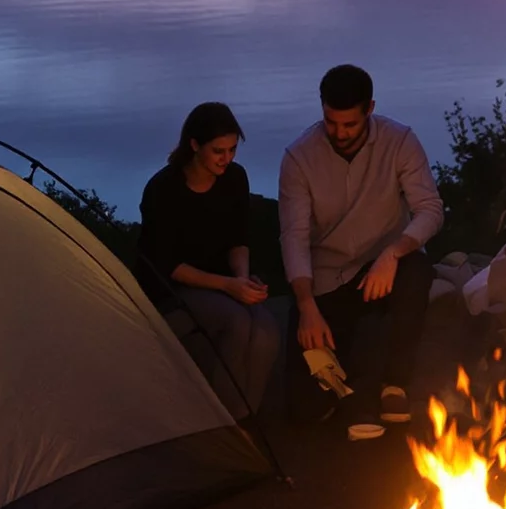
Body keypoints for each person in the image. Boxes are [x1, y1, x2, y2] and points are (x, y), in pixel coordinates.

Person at [278, 63, 443, 432]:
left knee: (416, 270)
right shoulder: (299, 158)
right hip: (326, 281)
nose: (339, 133)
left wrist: (394, 252)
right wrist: (306, 305)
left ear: (369, 108)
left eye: (349, 124)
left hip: (381, 268)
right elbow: (293, 235)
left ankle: (395, 383)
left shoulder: (399, 141)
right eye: (331, 122)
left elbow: (430, 210)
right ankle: (342, 381)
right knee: (307, 410)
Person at [139, 101, 283, 419]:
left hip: (223, 283)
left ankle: (243, 418)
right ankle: (217, 421)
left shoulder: (234, 179)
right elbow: (168, 265)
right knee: (238, 321)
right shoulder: (163, 190)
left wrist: (242, 279)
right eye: (219, 150)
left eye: (232, 149)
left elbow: (238, 239)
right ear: (194, 145)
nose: (227, 158)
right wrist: (229, 286)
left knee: (266, 332)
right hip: (174, 290)